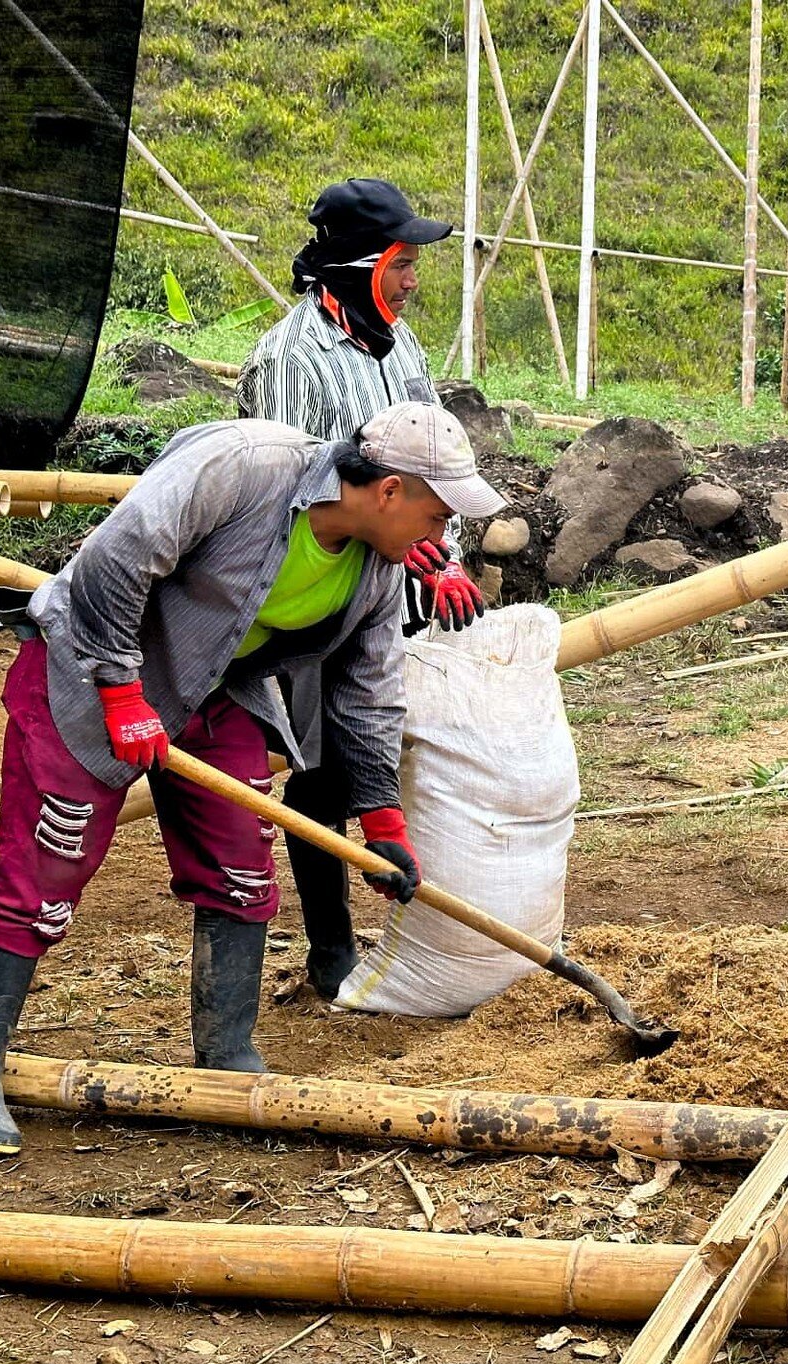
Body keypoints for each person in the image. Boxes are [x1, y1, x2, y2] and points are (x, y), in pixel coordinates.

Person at [0, 404, 507, 1157]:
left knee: (242, 862)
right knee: (48, 865)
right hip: (86, 674)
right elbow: (117, 559)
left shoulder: (376, 569)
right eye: (436, 515)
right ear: (390, 490)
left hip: (217, 690)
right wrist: (119, 689)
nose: (439, 538)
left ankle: (225, 1058)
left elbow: (369, 695)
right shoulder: (244, 467)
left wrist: (384, 824)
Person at [240, 178, 490, 1002]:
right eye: (403, 264)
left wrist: (440, 556)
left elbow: (434, 464)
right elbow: (285, 484)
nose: (415, 280)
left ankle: (404, 922)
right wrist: (392, 552)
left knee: (386, 742)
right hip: (316, 589)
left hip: (398, 585)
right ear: (357, 265)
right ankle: (331, 947)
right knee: (323, 765)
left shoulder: (402, 347)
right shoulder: (288, 357)